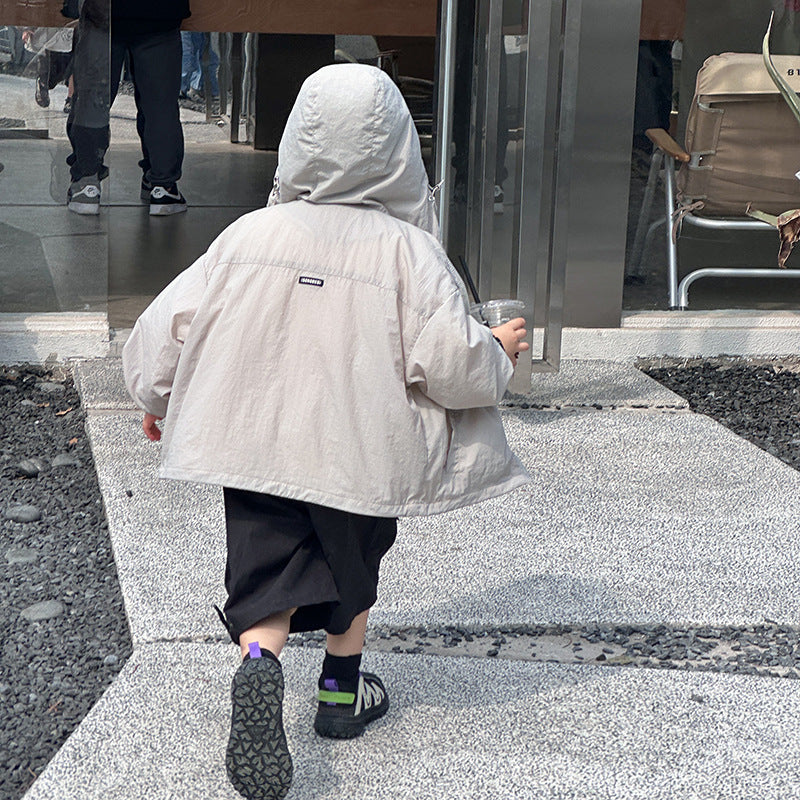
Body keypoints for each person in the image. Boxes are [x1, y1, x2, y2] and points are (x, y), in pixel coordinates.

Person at [121, 64, 530, 800]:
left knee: (265, 572)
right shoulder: (410, 253)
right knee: (353, 566)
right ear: (401, 151)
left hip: (252, 445)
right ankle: (340, 696)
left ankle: (260, 666)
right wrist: (497, 350)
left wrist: (157, 395)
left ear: (298, 144)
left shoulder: (250, 234)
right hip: (361, 451)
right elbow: (451, 367)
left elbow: (168, 329)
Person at [66, 0, 190, 216]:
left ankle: (86, 182)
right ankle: (163, 186)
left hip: (103, 11)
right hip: (160, 14)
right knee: (160, 105)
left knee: (93, 100)